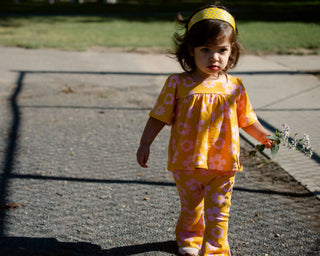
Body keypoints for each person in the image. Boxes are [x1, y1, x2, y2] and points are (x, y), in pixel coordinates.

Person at [136, 4, 273, 256]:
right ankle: (189, 237)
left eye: (222, 50)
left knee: (220, 209)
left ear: (232, 50)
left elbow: (247, 119)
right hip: (186, 162)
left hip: (223, 163)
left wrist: (263, 136)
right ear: (191, 49)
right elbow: (158, 116)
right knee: (191, 206)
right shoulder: (178, 83)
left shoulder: (234, 86)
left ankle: (216, 248)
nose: (214, 57)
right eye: (205, 50)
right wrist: (145, 143)